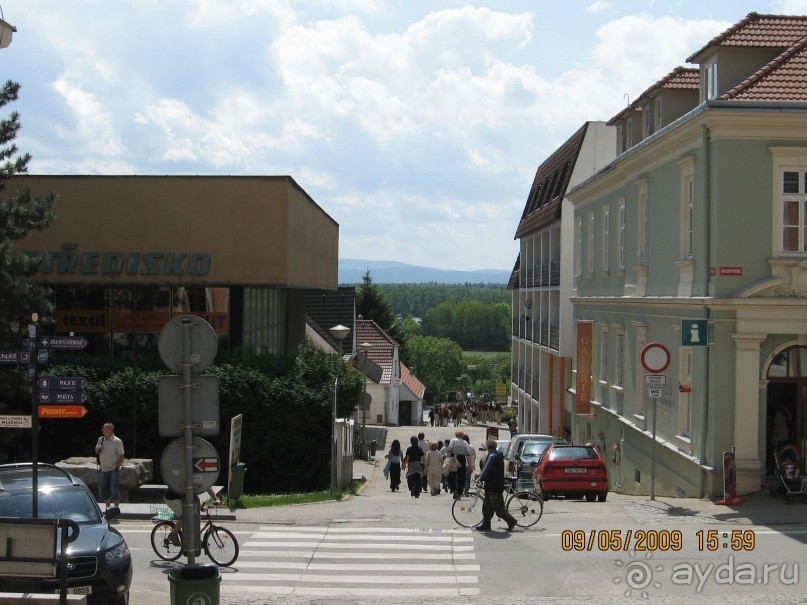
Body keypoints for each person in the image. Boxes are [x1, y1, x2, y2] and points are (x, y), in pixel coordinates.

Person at [475, 438, 517, 532]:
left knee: (499, 509)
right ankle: (486, 524)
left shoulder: (493, 456)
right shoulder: (496, 455)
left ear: (488, 447)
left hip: (494, 486)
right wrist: (480, 475)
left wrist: (480, 478)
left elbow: (487, 470)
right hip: (492, 486)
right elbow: (487, 469)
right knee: (487, 507)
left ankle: (511, 521)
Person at [95, 422, 125, 509]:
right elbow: (96, 451)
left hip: (113, 469)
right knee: (104, 490)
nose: (102, 429)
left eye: (104, 428)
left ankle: (116, 509)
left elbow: (121, 454)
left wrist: (117, 467)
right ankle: (108, 509)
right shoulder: (101, 439)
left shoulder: (117, 441)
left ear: (109, 429)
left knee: (114, 490)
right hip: (102, 469)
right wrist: (98, 448)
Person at [447, 430, 468, 500]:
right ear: (462, 436)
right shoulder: (465, 443)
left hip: (454, 458)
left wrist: (448, 459)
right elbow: (468, 454)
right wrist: (470, 465)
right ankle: (460, 493)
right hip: (462, 459)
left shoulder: (453, 440)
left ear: (456, 435)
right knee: (461, 478)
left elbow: (449, 450)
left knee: (452, 475)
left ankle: (454, 489)